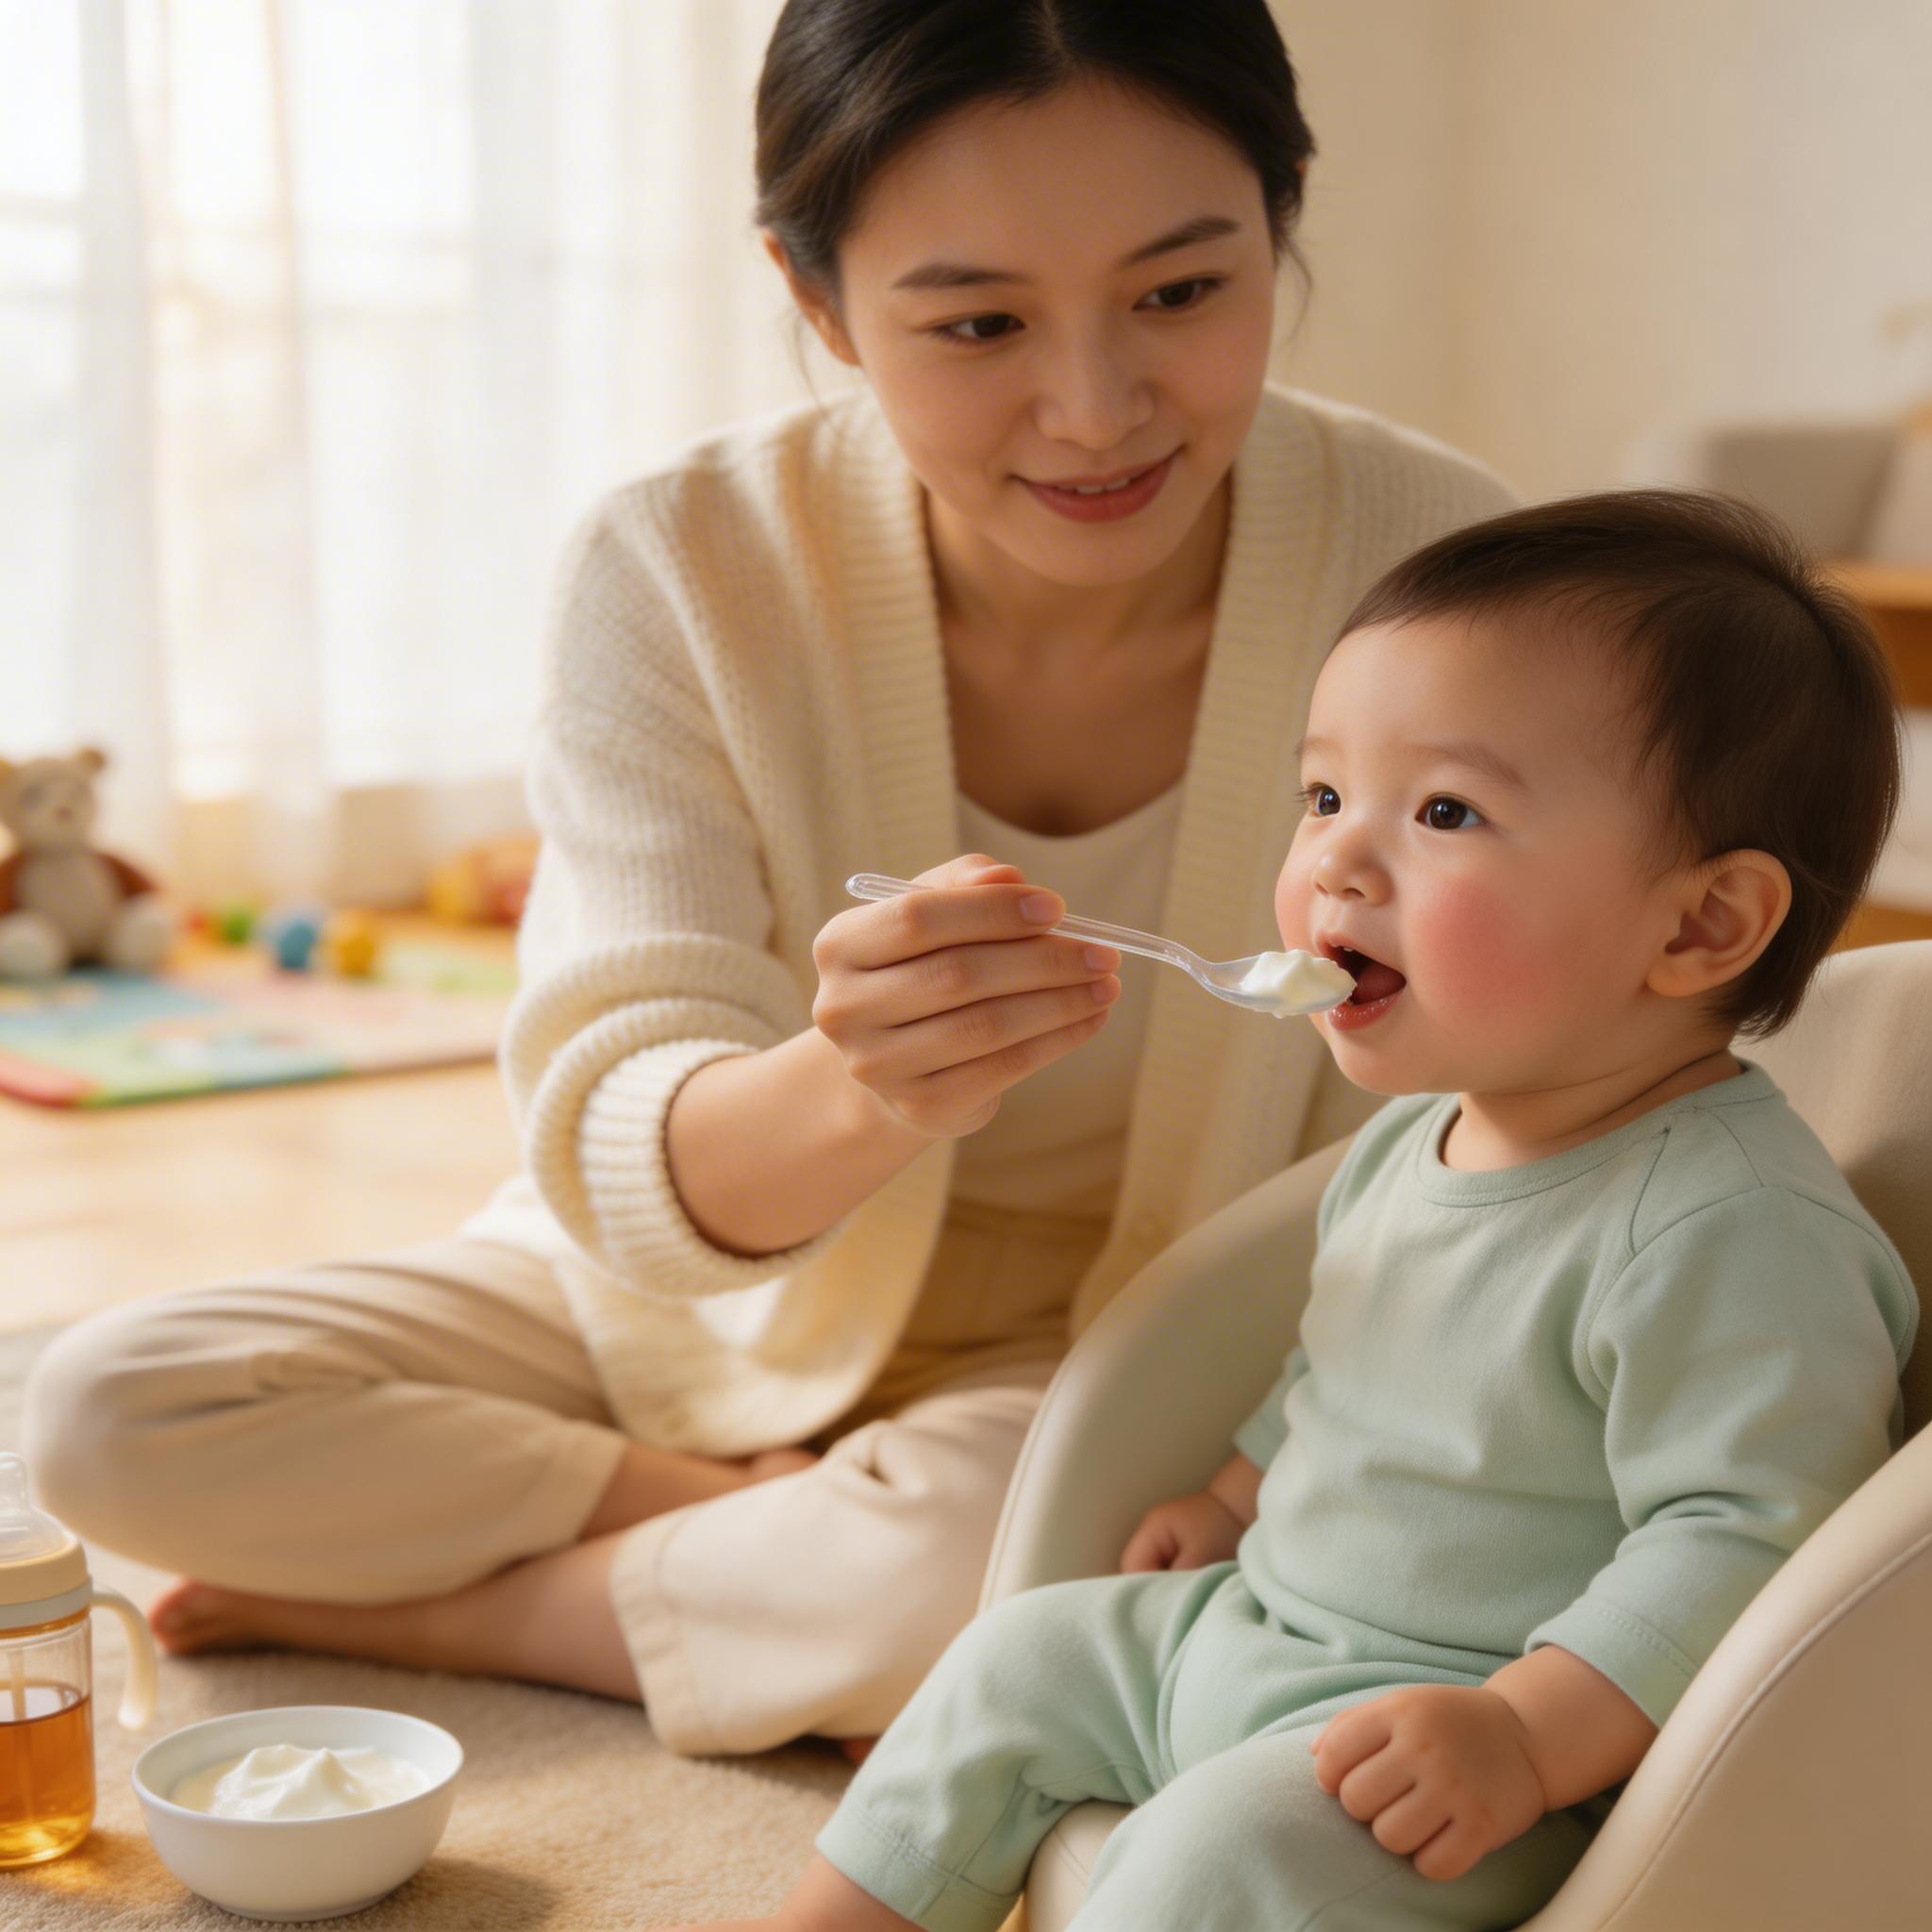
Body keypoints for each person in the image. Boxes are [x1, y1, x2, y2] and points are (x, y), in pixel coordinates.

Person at [22, 0, 1510, 1759]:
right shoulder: (685, 566)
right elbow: (608, 1137)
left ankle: (458, 1608)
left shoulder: (1441, 569)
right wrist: (858, 1090)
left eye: (1185, 292)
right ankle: (727, 1515)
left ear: (1280, 220)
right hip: (693, 1315)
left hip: (1162, 1356)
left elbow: (1496, 1111)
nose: (1099, 410)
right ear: (819, 307)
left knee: (997, 1546)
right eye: (977, 322)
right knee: (109, 1408)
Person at [663, 490, 1917, 1932]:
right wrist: (1234, 1495)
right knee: (1018, 1661)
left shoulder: (1729, 1229)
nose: (1336, 859)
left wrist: (1524, 1732)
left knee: (1225, 1855)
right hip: (1264, 1630)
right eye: (1326, 797)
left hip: (1471, 1762)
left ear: (1700, 925)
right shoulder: (1412, 1145)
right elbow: (1352, 1374)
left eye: (1444, 812)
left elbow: (1756, 1549)